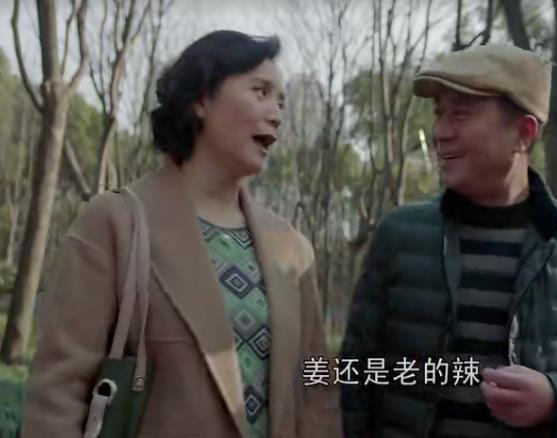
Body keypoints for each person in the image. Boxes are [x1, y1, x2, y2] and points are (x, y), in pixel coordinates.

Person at [22, 30, 333, 438]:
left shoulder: (292, 248)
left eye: (280, 102)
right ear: (201, 99)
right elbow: (57, 396)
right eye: (260, 92)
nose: (276, 113)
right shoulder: (114, 224)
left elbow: (316, 394)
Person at [340, 44, 557, 438]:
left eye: (460, 114)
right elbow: (357, 370)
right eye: (439, 114)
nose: (440, 133)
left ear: (524, 132)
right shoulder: (400, 235)